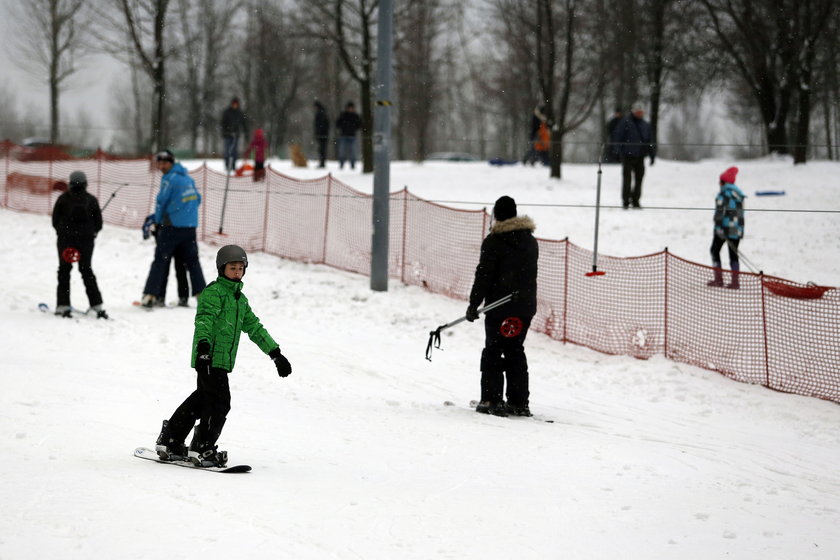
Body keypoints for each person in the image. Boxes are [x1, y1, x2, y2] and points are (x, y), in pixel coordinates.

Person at [154, 244, 293, 467]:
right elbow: (204, 320)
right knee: (220, 402)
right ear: (222, 269)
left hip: (222, 361)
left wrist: (275, 354)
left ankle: (171, 439)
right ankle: (202, 448)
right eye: (232, 268)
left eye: (240, 268)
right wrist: (203, 348)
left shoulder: (240, 301)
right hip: (208, 357)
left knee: (202, 400)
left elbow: (255, 328)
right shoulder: (214, 293)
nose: (237, 272)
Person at [465, 196, 539, 417]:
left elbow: (484, 276)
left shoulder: (494, 241)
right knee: (515, 350)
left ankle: (491, 399)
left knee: (494, 351)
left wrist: (473, 304)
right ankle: (518, 402)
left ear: (496, 215)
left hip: (500, 307)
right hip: (524, 307)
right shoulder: (530, 241)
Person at [140, 150, 206, 307]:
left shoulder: (169, 180)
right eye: (159, 163)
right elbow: (198, 199)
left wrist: (156, 220)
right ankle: (201, 295)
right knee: (191, 262)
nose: (161, 166)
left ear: (171, 162)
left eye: (164, 163)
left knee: (161, 261)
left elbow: (162, 202)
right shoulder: (188, 179)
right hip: (189, 228)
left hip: (172, 228)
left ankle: (151, 295)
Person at [51, 171, 108, 319]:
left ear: (70, 183)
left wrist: (63, 232)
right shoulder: (91, 200)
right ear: (85, 183)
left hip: (66, 240)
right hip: (86, 240)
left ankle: (63, 305)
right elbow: (99, 223)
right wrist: (91, 232)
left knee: (64, 271)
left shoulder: (63, 199)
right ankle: (97, 305)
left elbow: (55, 220)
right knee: (86, 270)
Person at [708, 166, 746, 289]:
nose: (719, 183)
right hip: (736, 229)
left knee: (714, 250)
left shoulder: (723, 195)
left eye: (720, 181)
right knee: (733, 254)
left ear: (724, 182)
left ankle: (718, 279)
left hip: (723, 228)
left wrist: (718, 228)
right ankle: (735, 282)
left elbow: (719, 214)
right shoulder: (738, 194)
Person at [611, 103, 655, 209]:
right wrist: (617, 152)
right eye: (638, 112)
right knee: (627, 179)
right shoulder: (625, 122)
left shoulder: (645, 125)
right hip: (627, 155)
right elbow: (618, 137)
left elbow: (650, 141)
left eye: (641, 112)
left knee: (639, 179)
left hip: (640, 156)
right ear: (633, 111)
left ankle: (636, 200)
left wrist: (652, 154)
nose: (640, 114)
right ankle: (625, 201)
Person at [143, 213, 190, 306]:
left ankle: (161, 297)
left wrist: (146, 233)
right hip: (176, 241)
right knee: (179, 269)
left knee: (165, 269)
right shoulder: (179, 214)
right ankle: (183, 297)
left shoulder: (159, 215)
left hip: (167, 244)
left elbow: (147, 225)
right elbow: (147, 224)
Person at [220, 97, 247, 172]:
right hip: (227, 135)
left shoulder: (240, 113)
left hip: (236, 135)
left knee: (234, 152)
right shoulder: (226, 112)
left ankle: (233, 166)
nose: (235, 105)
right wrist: (224, 132)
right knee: (227, 151)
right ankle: (227, 166)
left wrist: (245, 131)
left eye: (236, 104)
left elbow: (243, 123)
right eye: (234, 104)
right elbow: (222, 123)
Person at [335, 101, 362, 169]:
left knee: (353, 152)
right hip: (343, 136)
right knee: (342, 151)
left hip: (352, 136)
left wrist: (353, 128)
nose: (350, 109)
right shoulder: (343, 115)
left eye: (351, 108)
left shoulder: (355, 116)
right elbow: (337, 124)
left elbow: (359, 125)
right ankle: (341, 164)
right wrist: (343, 127)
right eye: (349, 108)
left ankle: (352, 165)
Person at [314, 100, 330, 168]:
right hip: (323, 134)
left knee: (322, 149)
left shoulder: (320, 113)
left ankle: (322, 162)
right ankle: (322, 162)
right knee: (322, 149)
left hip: (322, 134)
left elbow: (321, 124)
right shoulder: (323, 113)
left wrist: (319, 132)